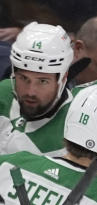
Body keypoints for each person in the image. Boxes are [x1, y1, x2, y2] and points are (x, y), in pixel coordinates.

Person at [0, 22, 74, 156]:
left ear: (63, 78)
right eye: (23, 78)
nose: (30, 92)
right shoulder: (4, 91)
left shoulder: (71, 137)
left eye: (42, 81)